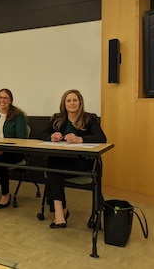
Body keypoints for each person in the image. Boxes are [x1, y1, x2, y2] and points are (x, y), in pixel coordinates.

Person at [40, 89, 107, 229]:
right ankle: (60, 214)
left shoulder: (89, 118)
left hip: (81, 162)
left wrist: (80, 139)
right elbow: (43, 133)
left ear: (80, 102)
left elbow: (101, 138)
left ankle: (62, 212)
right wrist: (51, 137)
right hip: (60, 160)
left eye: (75, 100)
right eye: (68, 101)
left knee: (52, 169)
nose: (72, 103)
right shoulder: (57, 118)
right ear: (64, 104)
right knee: (53, 166)